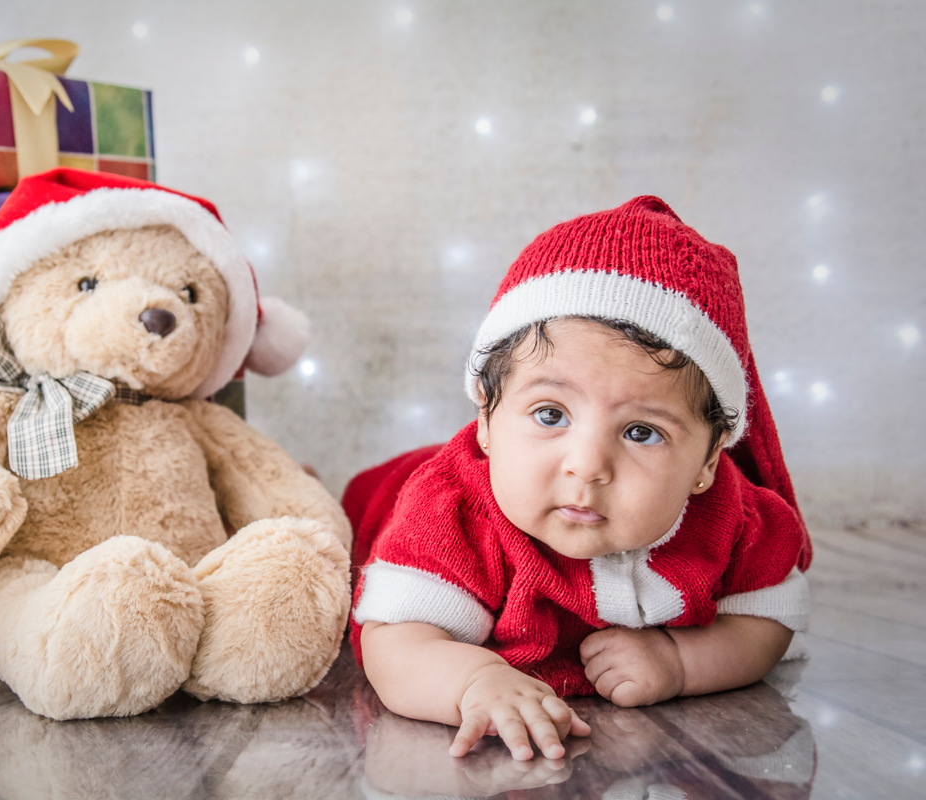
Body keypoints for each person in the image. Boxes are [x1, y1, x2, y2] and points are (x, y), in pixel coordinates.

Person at [344, 197, 811, 762]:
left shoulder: (733, 519)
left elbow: (767, 619)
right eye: (550, 415)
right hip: (381, 498)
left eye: (641, 432)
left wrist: (679, 661)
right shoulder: (451, 512)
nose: (587, 465)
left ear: (708, 462)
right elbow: (394, 638)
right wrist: (472, 681)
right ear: (486, 420)